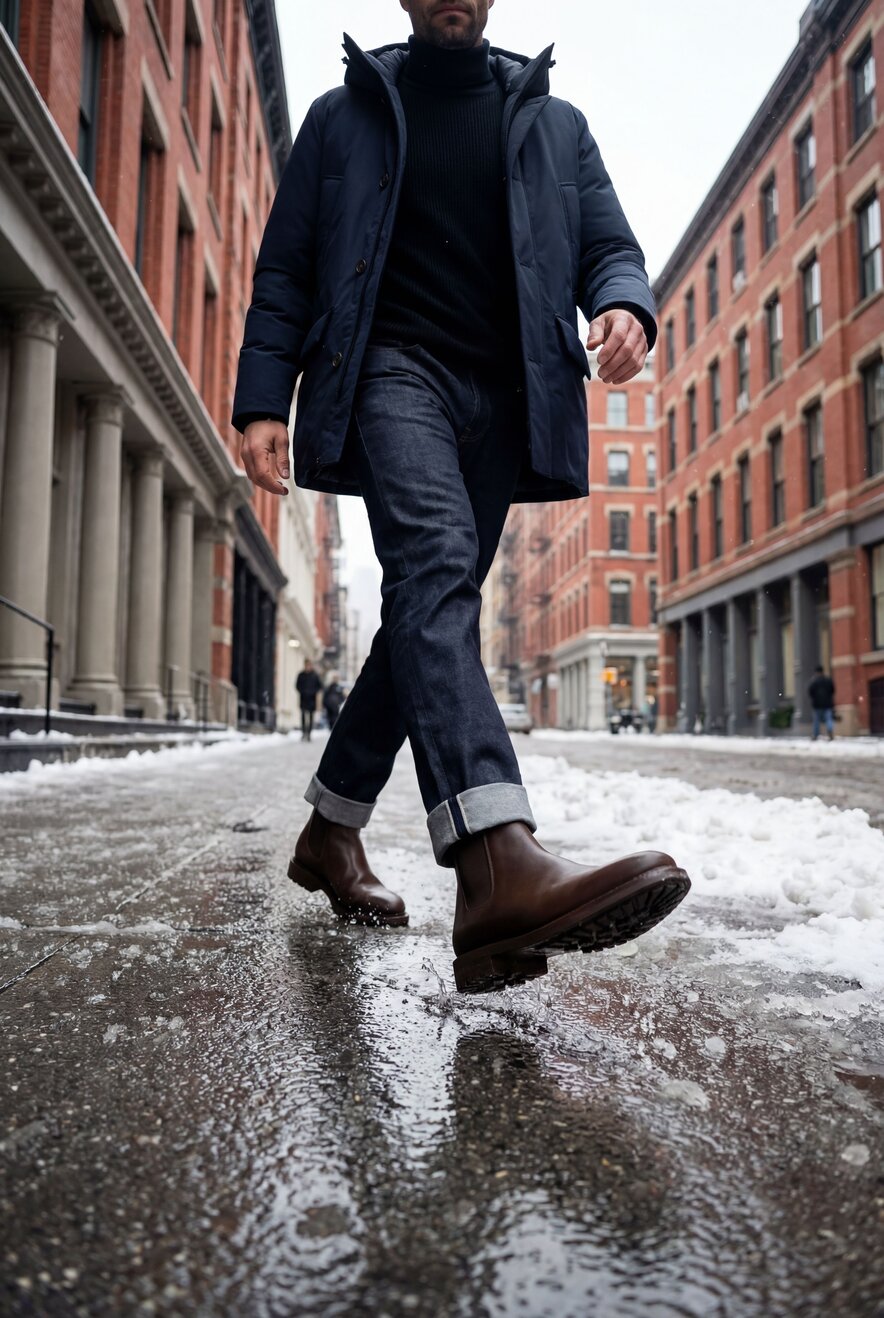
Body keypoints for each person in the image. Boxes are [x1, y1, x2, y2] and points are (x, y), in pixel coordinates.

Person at [233, 0, 691, 992]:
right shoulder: (341, 115)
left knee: (423, 618)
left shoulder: (552, 122)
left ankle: (327, 834)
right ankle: (493, 861)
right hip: (389, 373)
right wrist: (262, 399)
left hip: (507, 396)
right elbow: (285, 273)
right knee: (437, 572)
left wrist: (620, 302)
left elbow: (607, 244)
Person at [295, 659, 323, 742]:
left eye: (309, 665)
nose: (308, 667)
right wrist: (302, 691)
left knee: (311, 716)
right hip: (303, 698)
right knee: (303, 715)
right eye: (306, 665)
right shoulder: (301, 675)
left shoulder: (315, 675)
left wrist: (313, 692)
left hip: (312, 699)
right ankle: (303, 733)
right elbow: (297, 685)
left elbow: (320, 686)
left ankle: (309, 734)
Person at [808, 665, 835, 741]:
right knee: (828, 719)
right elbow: (832, 690)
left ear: (816, 672)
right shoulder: (828, 680)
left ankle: (815, 735)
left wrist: (815, 699)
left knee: (816, 721)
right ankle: (830, 731)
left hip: (817, 705)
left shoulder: (814, 681)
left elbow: (810, 692)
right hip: (827, 704)